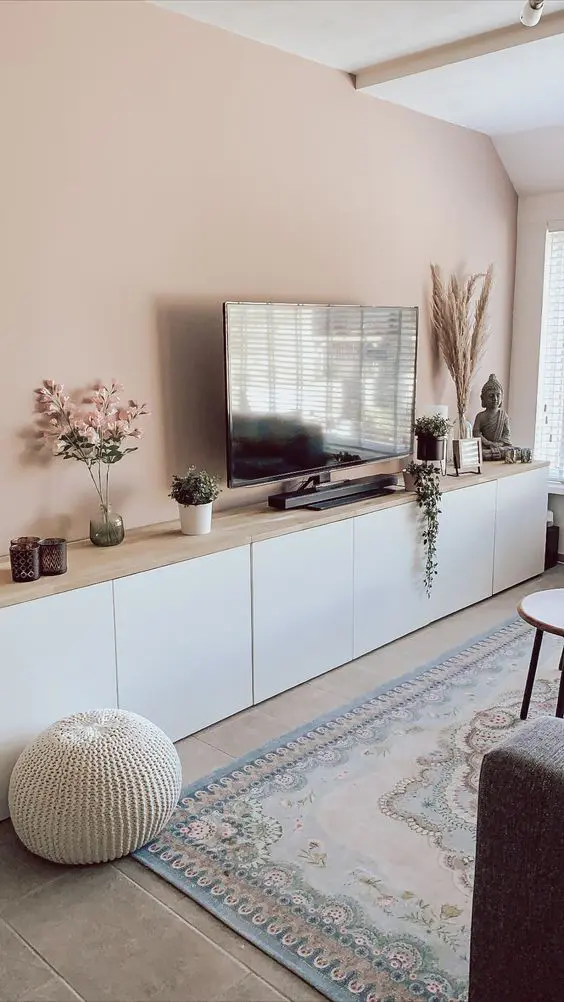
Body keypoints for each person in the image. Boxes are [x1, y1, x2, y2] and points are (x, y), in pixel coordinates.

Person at [473, 373, 513, 460]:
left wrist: (499, 445)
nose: (495, 399)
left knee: (514, 450)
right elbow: (476, 433)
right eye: (491, 396)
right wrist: (488, 443)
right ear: (483, 398)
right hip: (486, 447)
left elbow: (506, 435)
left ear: (502, 397)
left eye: (498, 395)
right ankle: (494, 454)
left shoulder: (504, 415)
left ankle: (495, 453)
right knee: (478, 453)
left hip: (501, 447)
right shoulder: (480, 416)